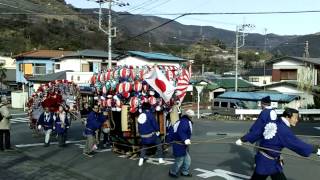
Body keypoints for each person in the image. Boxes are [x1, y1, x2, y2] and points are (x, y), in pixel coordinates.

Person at [236, 108, 320, 180]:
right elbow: (297, 144)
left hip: (271, 161)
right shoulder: (284, 131)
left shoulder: (273, 122)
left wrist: (242, 139)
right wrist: (315, 150)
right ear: (287, 117)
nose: (297, 120)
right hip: (266, 163)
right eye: (295, 118)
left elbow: (257, 132)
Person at [168, 109, 194, 178]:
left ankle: (185, 172)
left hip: (182, 143)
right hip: (179, 143)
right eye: (192, 116)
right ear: (190, 116)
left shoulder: (182, 120)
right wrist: (185, 139)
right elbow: (181, 131)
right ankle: (172, 172)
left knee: (187, 159)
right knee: (179, 160)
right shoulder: (185, 122)